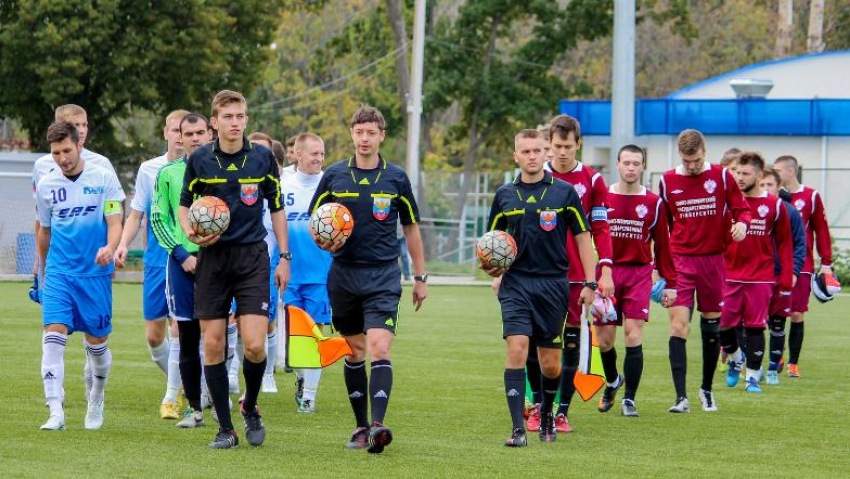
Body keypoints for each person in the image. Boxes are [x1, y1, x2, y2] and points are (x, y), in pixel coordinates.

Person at [309, 105, 427, 454]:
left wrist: (420, 276)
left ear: (381, 136)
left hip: (383, 274)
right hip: (343, 275)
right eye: (359, 132)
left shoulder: (395, 178)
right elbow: (318, 222)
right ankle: (360, 426)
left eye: (371, 133)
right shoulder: (333, 177)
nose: (364, 139)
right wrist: (326, 237)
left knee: (380, 346)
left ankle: (378, 426)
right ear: (352, 134)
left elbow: (410, 228)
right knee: (355, 350)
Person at [179, 90, 290, 449]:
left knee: (255, 346)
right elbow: (184, 206)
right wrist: (191, 231)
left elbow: (276, 209)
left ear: (246, 119)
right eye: (227, 116)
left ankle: (251, 406)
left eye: (240, 116)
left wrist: (284, 257)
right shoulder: (199, 160)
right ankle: (225, 429)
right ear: (215, 122)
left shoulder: (262, 159)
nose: (235, 122)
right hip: (212, 260)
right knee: (212, 345)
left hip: (252, 258)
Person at [485, 129, 596, 446]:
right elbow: (492, 243)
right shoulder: (505, 195)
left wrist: (589, 281)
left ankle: (547, 412)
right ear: (516, 155)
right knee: (517, 348)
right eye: (526, 151)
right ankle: (517, 430)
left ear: (545, 154)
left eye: (537, 151)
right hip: (516, 283)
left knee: (551, 364)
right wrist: (493, 269)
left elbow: (583, 237)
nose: (532, 156)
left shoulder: (563, 193)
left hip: (553, 285)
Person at [36, 121, 125, 430]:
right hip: (60, 272)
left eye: (67, 150)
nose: (62, 157)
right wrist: (43, 270)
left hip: (95, 274)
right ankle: (56, 412)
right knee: (53, 337)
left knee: (97, 344)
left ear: (79, 146)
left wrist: (111, 247)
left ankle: (96, 398)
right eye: (56, 152)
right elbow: (44, 231)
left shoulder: (103, 178)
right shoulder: (46, 185)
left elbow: (115, 219)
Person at [530, 114, 613, 434]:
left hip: (577, 276)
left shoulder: (592, 181)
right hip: (537, 273)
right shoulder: (534, 174)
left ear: (578, 145)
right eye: (556, 146)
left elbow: (601, 229)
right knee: (536, 341)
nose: (561, 152)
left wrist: (603, 271)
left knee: (572, 344)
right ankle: (537, 406)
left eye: (568, 146)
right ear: (548, 146)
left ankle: (561, 412)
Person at [658, 129, 751, 413]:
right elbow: (663, 227)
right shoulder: (667, 181)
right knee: (678, 326)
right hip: (681, 262)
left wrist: (742, 225)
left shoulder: (722, 176)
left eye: (696, 160)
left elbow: (742, 210)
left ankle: (707, 390)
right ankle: (680, 397)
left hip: (713, 261)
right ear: (680, 156)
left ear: (705, 152)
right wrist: (660, 268)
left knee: (712, 326)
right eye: (687, 161)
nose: (692, 166)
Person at [114, 109, 189, 420]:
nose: (180, 136)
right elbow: (137, 214)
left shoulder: (199, 167)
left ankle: (172, 395)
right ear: (165, 133)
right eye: (175, 130)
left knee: (179, 328)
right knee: (154, 336)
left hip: (184, 258)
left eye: (185, 132)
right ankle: (182, 381)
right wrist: (121, 243)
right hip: (156, 261)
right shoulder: (150, 169)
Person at [596, 145, 678, 417]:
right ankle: (612, 381)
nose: (631, 168)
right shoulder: (603, 197)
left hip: (639, 273)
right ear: (617, 165)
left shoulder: (654, 203)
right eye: (626, 163)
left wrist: (671, 283)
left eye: (636, 163)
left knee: (633, 333)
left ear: (643, 167)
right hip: (606, 273)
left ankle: (629, 399)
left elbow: (664, 246)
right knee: (605, 341)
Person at [150, 112, 213, 428]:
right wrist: (180, 254)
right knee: (186, 335)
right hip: (181, 264)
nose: (196, 138)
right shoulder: (168, 174)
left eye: (201, 132)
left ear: (209, 133)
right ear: (180, 138)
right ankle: (194, 407)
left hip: (217, 262)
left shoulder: (222, 172)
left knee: (216, 335)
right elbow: (159, 219)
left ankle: (214, 393)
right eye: (189, 134)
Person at [719, 152, 794, 393]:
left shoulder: (774, 205)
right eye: (737, 173)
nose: (739, 178)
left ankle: (752, 376)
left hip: (761, 278)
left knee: (755, 327)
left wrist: (785, 277)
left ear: (759, 176)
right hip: (728, 275)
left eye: (745, 174)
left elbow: (784, 243)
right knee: (723, 325)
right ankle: (735, 357)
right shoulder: (727, 202)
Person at [282, 132, 333, 413]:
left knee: (315, 333)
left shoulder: (331, 186)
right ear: (297, 154)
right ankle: (303, 380)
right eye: (314, 153)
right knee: (296, 335)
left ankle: (310, 396)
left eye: (322, 154)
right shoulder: (282, 186)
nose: (319, 158)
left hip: (321, 274)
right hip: (291, 273)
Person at [773, 155, 834, 378]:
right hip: (775, 264)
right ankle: (776, 355)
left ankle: (793, 364)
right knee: (775, 313)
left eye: (777, 170)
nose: (774, 173)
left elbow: (821, 230)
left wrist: (826, 263)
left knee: (797, 313)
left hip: (802, 266)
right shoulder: (773, 196)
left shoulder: (811, 196)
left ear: (790, 172)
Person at [759, 167, 807, 385]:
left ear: (779, 187)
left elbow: (800, 245)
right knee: (754, 324)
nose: (766, 189)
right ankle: (754, 367)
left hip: (781, 277)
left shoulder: (790, 212)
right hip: (757, 277)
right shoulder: (750, 210)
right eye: (763, 185)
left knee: (778, 324)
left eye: (770, 185)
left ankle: (772, 369)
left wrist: (794, 271)